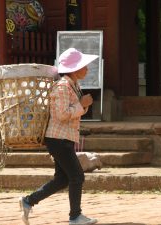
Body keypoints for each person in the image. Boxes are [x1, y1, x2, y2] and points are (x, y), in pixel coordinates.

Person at [18, 48, 99, 225]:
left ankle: (28, 201)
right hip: (58, 139)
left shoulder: (73, 85)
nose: (87, 69)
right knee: (77, 176)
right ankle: (75, 216)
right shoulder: (62, 86)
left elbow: (72, 111)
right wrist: (82, 104)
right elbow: (61, 114)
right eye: (84, 66)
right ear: (75, 69)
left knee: (63, 179)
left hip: (63, 138)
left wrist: (82, 105)